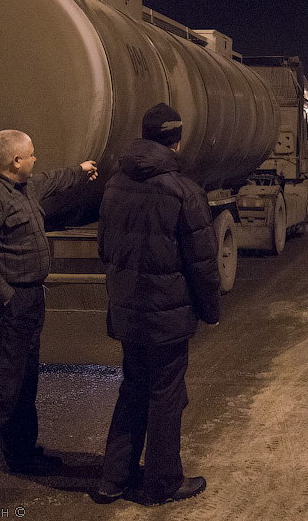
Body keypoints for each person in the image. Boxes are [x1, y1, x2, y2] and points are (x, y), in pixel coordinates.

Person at [0, 130, 98, 496]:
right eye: (31, 154)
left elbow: (51, 180)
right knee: (0, 386)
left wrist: (79, 170)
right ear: (15, 162)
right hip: (9, 305)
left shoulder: (23, 187)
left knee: (25, 382)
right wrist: (7, 296)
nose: (35, 159)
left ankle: (23, 454)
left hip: (29, 300)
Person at [94, 103, 220, 506]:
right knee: (166, 396)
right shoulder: (184, 191)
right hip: (167, 317)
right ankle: (163, 483)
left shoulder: (114, 185)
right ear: (176, 140)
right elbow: (202, 263)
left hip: (128, 311)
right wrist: (209, 310)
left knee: (132, 388)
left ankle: (114, 479)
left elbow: (104, 248)